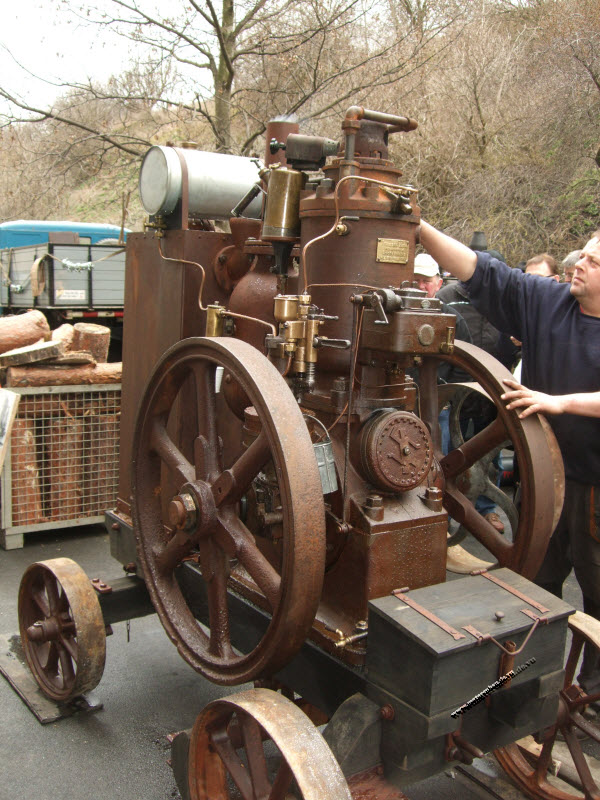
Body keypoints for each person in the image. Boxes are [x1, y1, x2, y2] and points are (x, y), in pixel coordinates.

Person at [420, 223, 600, 695]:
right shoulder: (549, 301)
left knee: (598, 591)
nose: (579, 262)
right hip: (544, 480)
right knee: (534, 583)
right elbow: (478, 270)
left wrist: (561, 402)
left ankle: (591, 697)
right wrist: (417, 226)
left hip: (596, 489)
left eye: (594, 262)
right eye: (584, 257)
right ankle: (528, 690)